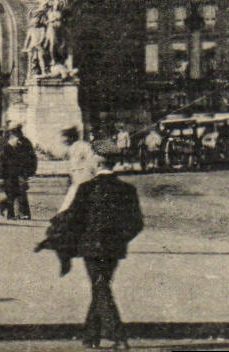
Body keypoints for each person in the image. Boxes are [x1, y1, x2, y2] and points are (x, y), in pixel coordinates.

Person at [37, 146, 143, 349]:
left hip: (91, 248)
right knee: (101, 285)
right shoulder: (127, 189)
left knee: (100, 287)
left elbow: (74, 220)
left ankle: (118, 335)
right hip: (114, 249)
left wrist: (65, 241)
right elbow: (136, 223)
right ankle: (91, 336)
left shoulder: (86, 188)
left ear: (97, 162)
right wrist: (120, 239)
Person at [0, 125, 38, 220]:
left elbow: (32, 157)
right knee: (12, 192)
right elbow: (0, 162)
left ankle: (22, 213)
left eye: (18, 133)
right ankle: (11, 213)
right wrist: (0, 177)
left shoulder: (26, 142)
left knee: (21, 191)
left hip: (22, 172)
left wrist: (32, 171)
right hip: (9, 173)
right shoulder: (5, 145)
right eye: (15, 133)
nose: (18, 135)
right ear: (11, 134)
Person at [60, 127, 97, 211]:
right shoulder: (71, 148)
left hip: (84, 177)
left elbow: (91, 161)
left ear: (71, 137)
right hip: (76, 178)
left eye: (66, 137)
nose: (64, 140)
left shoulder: (84, 145)